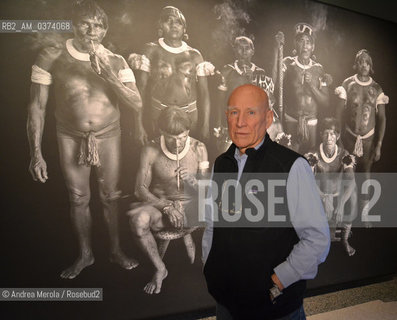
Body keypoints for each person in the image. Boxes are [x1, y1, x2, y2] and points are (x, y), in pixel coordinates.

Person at [27, 0, 144, 279]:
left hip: (108, 135)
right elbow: (36, 108)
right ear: (73, 25)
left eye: (98, 26)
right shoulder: (51, 56)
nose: (91, 31)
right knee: (78, 198)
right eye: (85, 23)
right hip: (70, 135)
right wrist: (36, 153)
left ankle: (115, 250)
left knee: (110, 197)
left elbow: (137, 104)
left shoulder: (116, 60)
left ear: (105, 30)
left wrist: (109, 75)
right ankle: (85, 255)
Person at [202, 84, 330, 319]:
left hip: (275, 308)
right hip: (226, 303)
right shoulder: (221, 163)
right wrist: (210, 267)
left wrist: (279, 281)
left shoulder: (291, 166)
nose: (240, 122)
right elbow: (213, 223)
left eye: (251, 112)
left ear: (268, 118)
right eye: (233, 112)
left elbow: (317, 239)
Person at [128, 107, 209, 294]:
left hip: (192, 208)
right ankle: (160, 268)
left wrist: (191, 179)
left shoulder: (199, 148)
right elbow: (139, 189)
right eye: (171, 137)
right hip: (161, 207)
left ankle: (213, 264)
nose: (177, 142)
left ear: (188, 131)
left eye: (182, 136)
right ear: (161, 132)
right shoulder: (150, 149)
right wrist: (167, 207)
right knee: (137, 221)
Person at [128, 6, 212, 141]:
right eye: (169, 21)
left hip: (189, 114)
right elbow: (140, 90)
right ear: (160, 25)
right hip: (158, 113)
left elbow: (204, 93)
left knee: (187, 156)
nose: (174, 25)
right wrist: (138, 125)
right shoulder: (151, 50)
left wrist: (206, 124)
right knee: (159, 155)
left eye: (178, 22)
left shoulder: (195, 55)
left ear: (184, 29)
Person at [335, 49, 388, 227]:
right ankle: (344, 212)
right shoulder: (348, 84)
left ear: (370, 66)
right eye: (360, 62)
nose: (363, 65)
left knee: (365, 174)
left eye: (367, 62)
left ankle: (365, 213)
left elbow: (382, 118)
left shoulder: (377, 88)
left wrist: (378, 144)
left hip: (368, 139)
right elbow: (339, 114)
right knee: (347, 175)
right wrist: (338, 137)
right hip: (349, 136)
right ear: (355, 64)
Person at [214, 36, 281, 153]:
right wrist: (220, 125)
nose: (244, 51)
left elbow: (263, 102)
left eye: (247, 48)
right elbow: (220, 101)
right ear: (234, 50)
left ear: (253, 51)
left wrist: (251, 81)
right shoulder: (227, 71)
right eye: (240, 48)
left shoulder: (260, 72)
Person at [273, 23, 331, 154]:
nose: (305, 46)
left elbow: (325, 102)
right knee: (290, 156)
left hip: (311, 121)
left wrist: (311, 85)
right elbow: (275, 84)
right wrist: (276, 50)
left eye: (308, 42)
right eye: (301, 41)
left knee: (310, 158)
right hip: (291, 119)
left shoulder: (319, 69)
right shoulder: (287, 63)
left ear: (313, 47)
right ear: (295, 44)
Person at [305, 118, 357, 256]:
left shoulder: (344, 154)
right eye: (326, 133)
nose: (329, 137)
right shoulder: (313, 154)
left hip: (337, 194)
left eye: (333, 133)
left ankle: (344, 240)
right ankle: (314, 240)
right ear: (321, 134)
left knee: (353, 195)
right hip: (318, 193)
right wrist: (323, 198)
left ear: (338, 136)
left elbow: (351, 181)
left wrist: (340, 203)